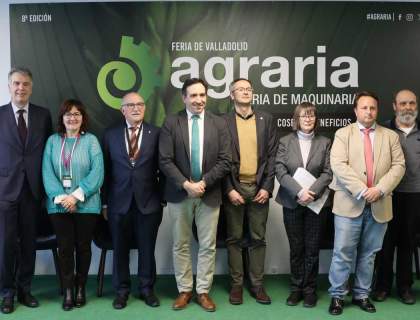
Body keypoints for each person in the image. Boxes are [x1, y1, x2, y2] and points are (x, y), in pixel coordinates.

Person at [327, 91, 405, 315]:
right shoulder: (343, 134)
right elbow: (339, 165)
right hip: (349, 203)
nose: (369, 112)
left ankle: (362, 294)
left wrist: (379, 189)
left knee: (369, 254)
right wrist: (363, 191)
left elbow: (399, 166)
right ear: (355, 110)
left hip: (380, 204)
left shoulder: (390, 136)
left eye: (372, 108)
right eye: (364, 108)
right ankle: (338, 296)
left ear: (377, 111)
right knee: (342, 252)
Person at [159, 78, 231, 312]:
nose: (199, 100)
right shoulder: (171, 122)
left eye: (202, 95)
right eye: (194, 95)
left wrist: (203, 183)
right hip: (180, 194)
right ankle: (185, 290)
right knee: (181, 244)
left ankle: (203, 291)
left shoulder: (218, 123)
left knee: (208, 245)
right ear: (184, 98)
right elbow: (165, 160)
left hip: (209, 194)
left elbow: (225, 160)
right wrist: (185, 184)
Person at [102, 92, 163, 310]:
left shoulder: (156, 133)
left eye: (140, 104)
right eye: (131, 105)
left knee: (147, 248)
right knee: (120, 249)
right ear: (122, 110)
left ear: (144, 108)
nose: (136, 108)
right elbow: (106, 172)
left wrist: (162, 199)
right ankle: (121, 291)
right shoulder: (110, 134)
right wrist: (105, 203)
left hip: (149, 203)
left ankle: (147, 289)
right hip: (118, 203)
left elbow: (163, 169)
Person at [42, 99, 104, 311]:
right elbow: (47, 174)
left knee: (83, 247)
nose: (72, 117)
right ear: (62, 118)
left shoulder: (91, 141)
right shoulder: (52, 141)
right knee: (65, 248)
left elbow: (97, 173)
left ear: (83, 118)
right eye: (68, 114)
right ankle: (68, 290)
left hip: (87, 205)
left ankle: (80, 287)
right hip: (59, 206)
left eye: (77, 114)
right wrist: (64, 199)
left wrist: (76, 197)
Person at [0, 67, 52, 314]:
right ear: (9, 86)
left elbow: (49, 150)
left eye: (26, 84)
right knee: (6, 244)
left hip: (33, 191)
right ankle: (7, 293)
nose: (21, 88)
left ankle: (25, 289)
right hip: (5, 192)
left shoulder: (43, 115)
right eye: (16, 84)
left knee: (29, 244)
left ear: (31, 87)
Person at [222, 78, 277, 305]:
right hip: (234, 188)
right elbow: (219, 158)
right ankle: (236, 285)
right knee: (234, 238)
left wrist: (266, 187)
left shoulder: (266, 119)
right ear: (231, 95)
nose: (245, 92)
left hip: (258, 189)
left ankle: (257, 285)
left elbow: (272, 156)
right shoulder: (223, 121)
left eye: (248, 89)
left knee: (258, 238)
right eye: (240, 89)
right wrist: (228, 189)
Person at [275, 102, 332, 308]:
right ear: (296, 119)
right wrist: (299, 191)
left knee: (312, 248)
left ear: (316, 119)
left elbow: (328, 172)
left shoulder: (325, 142)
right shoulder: (284, 141)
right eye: (303, 116)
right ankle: (296, 288)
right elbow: (280, 170)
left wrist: (312, 193)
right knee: (297, 247)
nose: (308, 119)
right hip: (292, 202)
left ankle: (309, 290)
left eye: (311, 116)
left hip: (316, 205)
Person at [373, 89, 420, 304]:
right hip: (387, 193)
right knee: (385, 242)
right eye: (403, 103)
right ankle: (382, 286)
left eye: (411, 103)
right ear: (394, 106)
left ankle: (404, 287)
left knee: (407, 242)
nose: (408, 107)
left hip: (415, 196)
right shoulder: (383, 130)